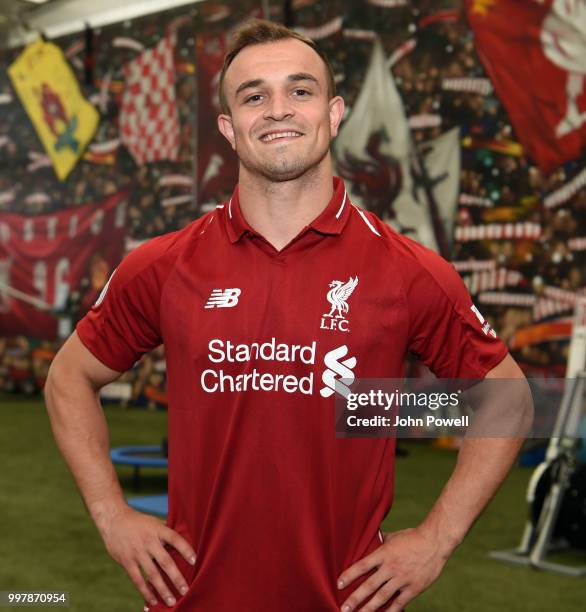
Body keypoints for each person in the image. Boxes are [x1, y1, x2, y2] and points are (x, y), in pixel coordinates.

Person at [44, 19, 532, 612]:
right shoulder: (163, 265)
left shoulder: (408, 270)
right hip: (191, 598)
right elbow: (69, 377)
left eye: (300, 91)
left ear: (333, 113)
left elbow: (507, 396)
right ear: (229, 127)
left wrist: (435, 540)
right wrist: (113, 517)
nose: (278, 110)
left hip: (345, 601)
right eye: (255, 96)